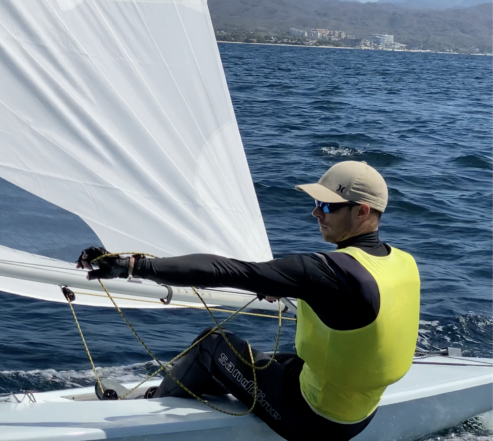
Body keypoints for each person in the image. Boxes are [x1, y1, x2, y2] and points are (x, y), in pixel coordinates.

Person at [77, 160, 420, 441]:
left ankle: (150, 409)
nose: (316, 214)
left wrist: (130, 266)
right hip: (362, 414)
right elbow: (353, 310)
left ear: (362, 212)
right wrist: (292, 287)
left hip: (314, 421)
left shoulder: (324, 273)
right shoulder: (404, 262)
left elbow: (224, 270)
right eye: (316, 203)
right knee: (269, 360)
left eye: (328, 206)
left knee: (211, 346)